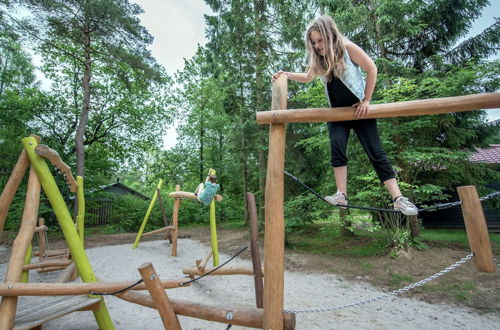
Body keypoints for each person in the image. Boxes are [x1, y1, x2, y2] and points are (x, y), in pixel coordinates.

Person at [272, 14, 417, 215]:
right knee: (337, 150)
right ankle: (342, 194)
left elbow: (372, 68)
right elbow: (307, 77)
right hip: (337, 114)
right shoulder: (320, 59)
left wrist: (366, 100)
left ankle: (398, 198)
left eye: (320, 40)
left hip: (359, 111)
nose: (317, 46)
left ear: (330, 35)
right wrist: (286, 74)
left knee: (376, 152)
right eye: (313, 42)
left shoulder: (347, 47)